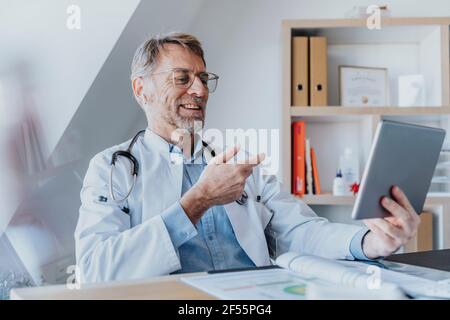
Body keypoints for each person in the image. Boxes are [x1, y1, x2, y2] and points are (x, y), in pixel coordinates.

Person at [74, 32, 420, 283]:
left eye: (203, 78)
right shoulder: (112, 169)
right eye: (182, 78)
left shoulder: (238, 165)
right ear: (141, 89)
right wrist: (197, 201)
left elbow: (301, 231)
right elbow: (96, 270)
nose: (199, 90)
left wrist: (369, 241)